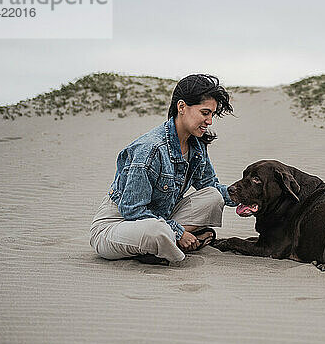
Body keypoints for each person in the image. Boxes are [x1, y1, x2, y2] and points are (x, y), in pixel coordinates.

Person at [89, 74, 236, 265]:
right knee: (158, 231)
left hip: (159, 218)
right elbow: (132, 211)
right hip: (117, 226)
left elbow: (211, 187)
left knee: (213, 197)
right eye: (205, 113)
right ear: (182, 107)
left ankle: (162, 244)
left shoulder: (196, 146)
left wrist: (249, 197)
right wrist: (177, 230)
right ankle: (169, 241)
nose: (209, 121)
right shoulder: (150, 149)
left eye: (212, 115)